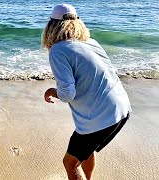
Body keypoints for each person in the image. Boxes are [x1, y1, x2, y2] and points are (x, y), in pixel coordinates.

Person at [42, 4, 132, 180]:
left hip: (100, 116)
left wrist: (53, 91)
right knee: (85, 152)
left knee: (70, 163)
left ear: (51, 26)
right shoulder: (91, 42)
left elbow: (68, 94)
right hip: (122, 108)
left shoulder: (58, 50)